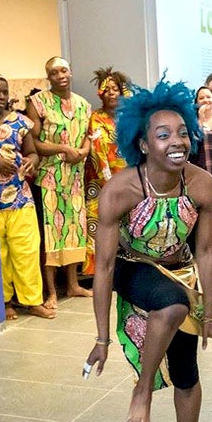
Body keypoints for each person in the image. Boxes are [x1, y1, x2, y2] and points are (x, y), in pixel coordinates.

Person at [85, 78, 212, 422]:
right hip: (132, 268)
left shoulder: (202, 183)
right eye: (163, 134)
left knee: (188, 374)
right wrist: (101, 338)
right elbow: (103, 267)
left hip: (180, 272)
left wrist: (207, 316)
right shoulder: (120, 189)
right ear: (142, 144)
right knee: (170, 305)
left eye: (183, 132)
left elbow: (206, 251)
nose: (177, 141)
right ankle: (142, 391)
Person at [0, 73, 55, 321]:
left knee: (26, 250)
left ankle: (32, 300)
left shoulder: (21, 122)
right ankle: (4, 302)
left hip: (20, 198)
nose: (2, 96)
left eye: (5, 91)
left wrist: (31, 161)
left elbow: (33, 153)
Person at [26, 56, 93, 303]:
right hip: (49, 179)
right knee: (51, 232)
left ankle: (73, 285)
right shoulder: (38, 102)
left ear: (71, 72)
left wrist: (83, 152)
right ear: (48, 77)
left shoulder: (84, 104)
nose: (60, 75)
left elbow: (87, 136)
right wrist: (63, 150)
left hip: (74, 180)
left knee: (75, 229)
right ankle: (52, 292)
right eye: (54, 72)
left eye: (64, 70)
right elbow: (33, 142)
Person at [84, 67, 129, 276]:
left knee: (128, 225)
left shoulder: (130, 118)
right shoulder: (95, 118)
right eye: (107, 89)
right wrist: (107, 179)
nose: (112, 93)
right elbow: (95, 150)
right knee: (101, 225)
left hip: (128, 181)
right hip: (100, 182)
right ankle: (101, 272)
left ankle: (127, 269)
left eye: (115, 89)